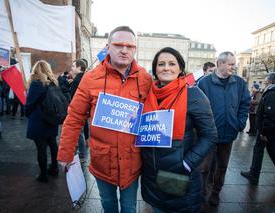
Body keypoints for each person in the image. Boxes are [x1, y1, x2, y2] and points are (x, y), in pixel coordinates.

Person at [57, 26, 152, 213]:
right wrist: (65, 153)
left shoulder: (145, 79)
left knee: (129, 207)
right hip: (102, 160)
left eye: (129, 46)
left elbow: (154, 116)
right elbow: (75, 118)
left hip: (132, 160)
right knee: (108, 204)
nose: (124, 50)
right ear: (108, 47)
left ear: (135, 49)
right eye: (118, 45)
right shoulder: (90, 78)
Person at [140, 47, 217, 213]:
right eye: (161, 64)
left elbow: (210, 135)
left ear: (180, 68)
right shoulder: (148, 94)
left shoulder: (194, 94)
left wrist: (187, 163)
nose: (166, 67)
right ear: (155, 69)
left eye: (171, 63)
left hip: (179, 175)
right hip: (151, 177)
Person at [198, 51, 250, 207]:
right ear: (220, 63)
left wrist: (240, 123)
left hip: (228, 134)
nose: (234, 67)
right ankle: (202, 193)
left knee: (222, 166)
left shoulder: (240, 83)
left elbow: (245, 103)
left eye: (234, 64)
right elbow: (197, 108)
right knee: (204, 167)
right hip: (208, 136)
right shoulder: (204, 83)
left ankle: (215, 193)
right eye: (231, 64)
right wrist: (203, 128)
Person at [241, 73, 275, 186]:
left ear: (270, 82)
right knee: (273, 151)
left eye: (265, 82)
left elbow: (270, 115)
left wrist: (264, 132)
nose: (264, 84)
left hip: (269, 130)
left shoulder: (273, 94)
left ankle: (254, 174)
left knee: (259, 150)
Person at [25, 60, 60, 183]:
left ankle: (43, 175)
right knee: (52, 144)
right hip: (51, 119)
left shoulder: (36, 84)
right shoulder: (54, 82)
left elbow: (29, 103)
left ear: (36, 70)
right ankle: (54, 168)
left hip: (39, 119)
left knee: (41, 148)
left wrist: (27, 113)